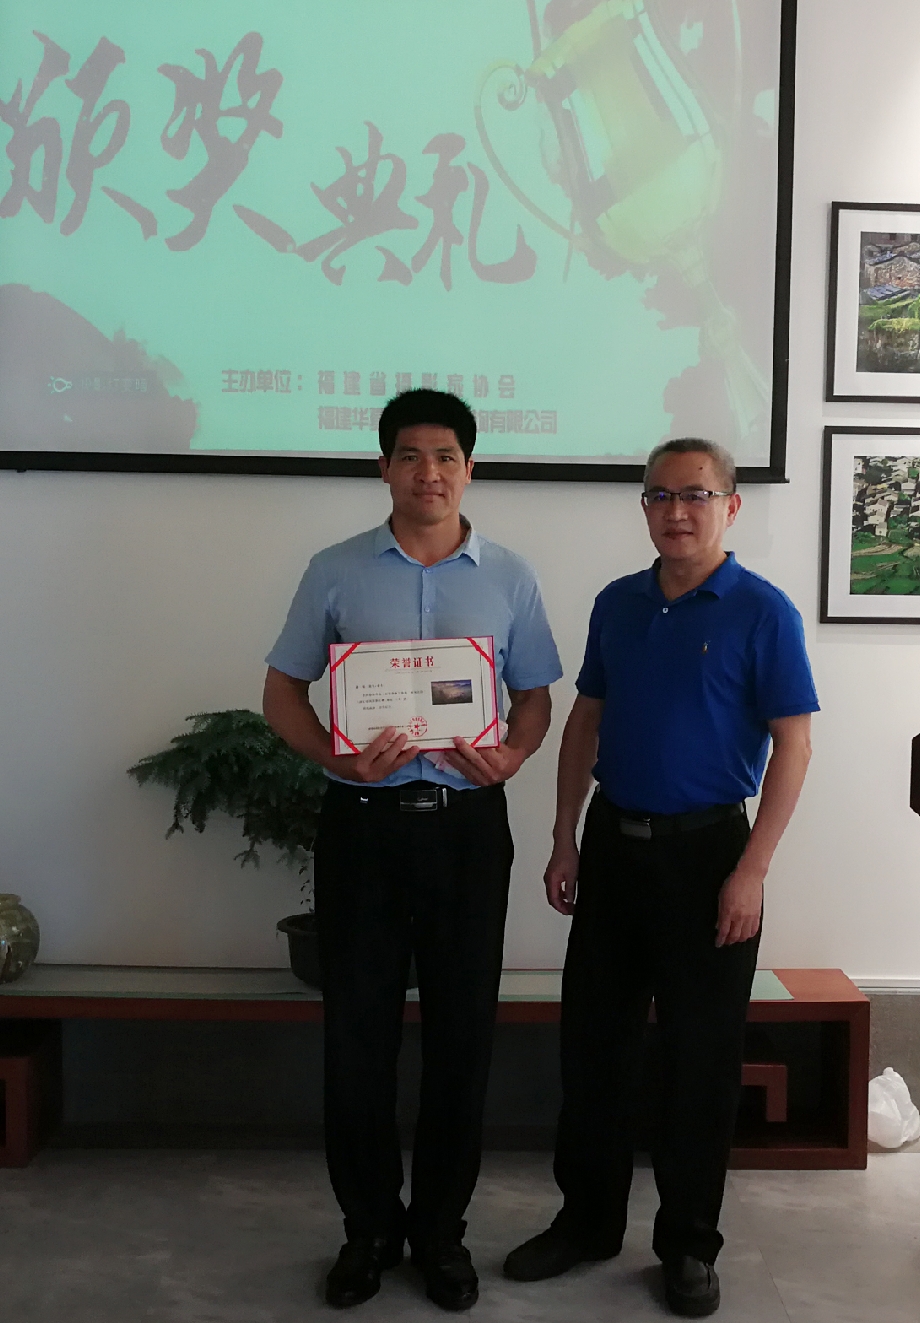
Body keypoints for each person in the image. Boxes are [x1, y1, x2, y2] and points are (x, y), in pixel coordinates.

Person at [503, 437, 818, 1318]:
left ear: (730, 505)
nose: (676, 511)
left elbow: (794, 744)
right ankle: (587, 1221)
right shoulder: (619, 602)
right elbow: (585, 721)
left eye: (696, 495)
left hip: (711, 854)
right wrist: (564, 837)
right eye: (659, 496)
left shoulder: (763, 611)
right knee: (594, 1047)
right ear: (643, 506)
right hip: (614, 846)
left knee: (699, 1059)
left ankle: (687, 1243)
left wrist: (752, 870)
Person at [263, 389, 561, 1313]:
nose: (428, 472)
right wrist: (336, 756)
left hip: (467, 830)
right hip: (364, 826)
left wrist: (512, 755)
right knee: (357, 1036)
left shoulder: (509, 574)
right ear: (383, 467)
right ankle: (367, 1229)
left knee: (463, 1036)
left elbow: (537, 696)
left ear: (470, 468)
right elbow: (281, 694)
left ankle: (439, 1232)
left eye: (445, 456)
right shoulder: (335, 570)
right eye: (409, 455)